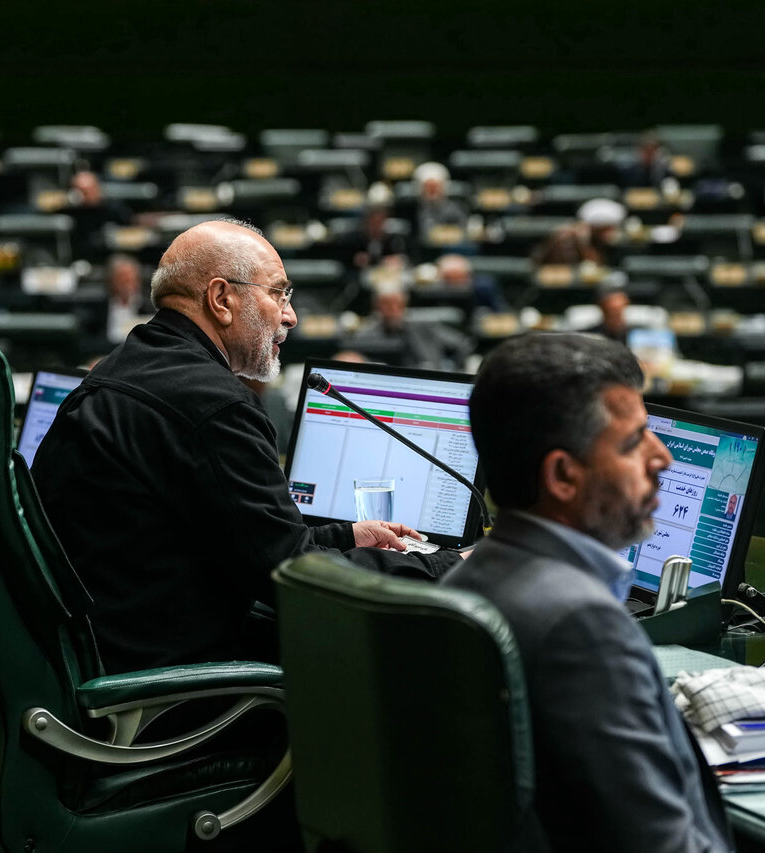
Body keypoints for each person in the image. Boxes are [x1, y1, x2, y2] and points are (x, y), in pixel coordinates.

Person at [31, 218, 462, 675]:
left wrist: (346, 536)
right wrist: (446, 565)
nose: (291, 316)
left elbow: (251, 541)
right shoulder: (214, 405)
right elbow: (294, 579)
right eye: (279, 294)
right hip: (161, 680)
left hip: (95, 651)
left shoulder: (124, 366)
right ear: (221, 299)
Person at [441, 332, 732, 853]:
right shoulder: (582, 624)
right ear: (563, 476)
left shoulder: (466, 579)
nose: (663, 457)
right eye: (634, 442)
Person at [352, 280, 474, 372]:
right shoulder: (366, 335)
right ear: (376, 307)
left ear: (404, 305)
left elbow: (463, 344)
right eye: (386, 305)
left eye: (397, 304)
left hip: (429, 378)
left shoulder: (424, 326)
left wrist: (452, 369)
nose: (392, 309)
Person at [532, 198, 626, 267]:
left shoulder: (607, 244)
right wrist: (583, 245)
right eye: (606, 229)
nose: (611, 233)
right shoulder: (567, 240)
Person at [105, 252, 153, 344]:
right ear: (112, 281)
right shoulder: (101, 307)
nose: (127, 286)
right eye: (122, 281)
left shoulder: (150, 305)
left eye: (130, 280)